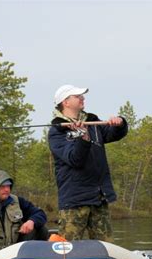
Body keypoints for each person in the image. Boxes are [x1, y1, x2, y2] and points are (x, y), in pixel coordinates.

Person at [48, 84, 128, 242]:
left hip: (99, 198)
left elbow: (114, 134)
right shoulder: (56, 132)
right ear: (66, 102)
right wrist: (84, 140)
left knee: (106, 249)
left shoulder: (92, 121)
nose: (82, 98)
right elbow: (74, 159)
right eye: (77, 96)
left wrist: (120, 124)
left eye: (82, 96)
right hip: (74, 201)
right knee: (66, 250)